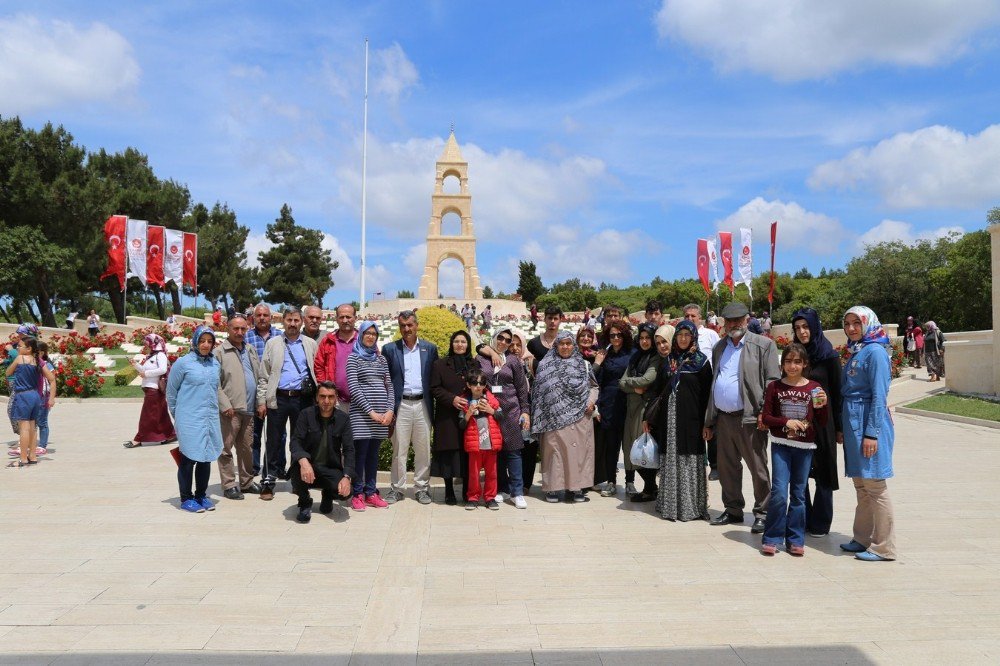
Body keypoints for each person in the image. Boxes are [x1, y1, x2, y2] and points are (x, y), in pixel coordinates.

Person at [703, 302, 780, 534]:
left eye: (738, 320)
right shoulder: (719, 347)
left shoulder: (764, 345)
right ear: (724, 323)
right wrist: (710, 420)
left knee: (757, 467)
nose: (734, 324)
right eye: (729, 321)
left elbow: (771, 382)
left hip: (751, 418)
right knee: (727, 468)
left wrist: (763, 413)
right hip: (724, 418)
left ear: (747, 320)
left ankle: (763, 513)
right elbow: (716, 381)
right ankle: (733, 509)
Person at [759, 343, 829, 556]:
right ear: (782, 364)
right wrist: (785, 422)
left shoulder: (814, 388)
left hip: (805, 447)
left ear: (804, 364)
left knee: (798, 494)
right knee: (779, 492)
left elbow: (822, 422)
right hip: (781, 445)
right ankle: (772, 537)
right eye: (788, 361)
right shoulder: (775, 387)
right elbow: (767, 417)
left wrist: (823, 406)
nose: (792, 366)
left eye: (797, 362)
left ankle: (795, 539)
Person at [839, 306, 896, 562]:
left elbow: (879, 396)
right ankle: (862, 538)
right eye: (847, 323)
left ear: (868, 323)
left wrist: (871, 433)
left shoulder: (875, 352)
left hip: (867, 424)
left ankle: (884, 547)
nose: (851, 328)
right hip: (854, 424)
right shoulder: (858, 350)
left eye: (856, 323)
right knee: (861, 485)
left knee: (875, 485)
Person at [645, 321, 711, 521]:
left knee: (689, 458)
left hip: (692, 421)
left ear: (693, 337)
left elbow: (708, 396)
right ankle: (670, 505)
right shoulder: (668, 361)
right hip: (669, 422)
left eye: (687, 335)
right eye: (680, 334)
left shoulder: (701, 362)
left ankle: (691, 507)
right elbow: (657, 391)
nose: (683, 338)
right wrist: (647, 417)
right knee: (670, 458)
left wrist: (708, 423)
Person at [258, 306, 319, 501]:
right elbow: (264, 375)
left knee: (299, 440)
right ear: (282, 321)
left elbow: (315, 371)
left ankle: (297, 480)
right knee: (274, 439)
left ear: (301, 322)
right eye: (289, 320)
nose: (292, 324)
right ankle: (268, 480)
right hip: (279, 397)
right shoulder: (273, 343)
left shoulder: (309, 344)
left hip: (302, 398)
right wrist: (262, 401)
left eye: (296, 321)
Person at [791, 308, 842, 537]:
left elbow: (838, 393)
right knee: (799, 472)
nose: (802, 332)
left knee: (823, 471)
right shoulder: (796, 356)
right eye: (797, 328)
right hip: (799, 422)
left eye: (806, 326)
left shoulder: (828, 355)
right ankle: (803, 517)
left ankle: (821, 522)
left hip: (823, 423)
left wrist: (839, 427)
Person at [531, 331, 598, 503]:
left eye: (569, 343)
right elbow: (538, 392)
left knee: (578, 453)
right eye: (562, 343)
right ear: (556, 345)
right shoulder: (545, 365)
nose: (565, 347)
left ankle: (576, 489)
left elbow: (594, 387)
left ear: (573, 345)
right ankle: (552, 489)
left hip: (580, 417)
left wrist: (591, 401)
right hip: (553, 419)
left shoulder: (584, 365)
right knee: (555, 453)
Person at [382, 310, 439, 505]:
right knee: (399, 449)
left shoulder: (430, 349)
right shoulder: (390, 349)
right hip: (401, 405)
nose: (406, 329)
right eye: (403, 326)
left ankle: (421, 488)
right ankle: (397, 488)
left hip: (422, 403)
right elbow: (386, 381)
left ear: (417, 326)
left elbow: (434, 378)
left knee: (423, 449)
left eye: (410, 325)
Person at [166, 326, 224, 513]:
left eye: (209, 341)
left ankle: (201, 495)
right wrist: (178, 416)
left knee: (206, 458)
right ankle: (186, 498)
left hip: (209, 418)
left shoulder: (215, 364)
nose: (206, 345)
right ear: (195, 341)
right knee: (188, 458)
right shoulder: (183, 363)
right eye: (202, 341)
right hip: (188, 418)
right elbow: (171, 392)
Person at [475, 326, 531, 509]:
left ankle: (517, 492)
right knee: (495, 452)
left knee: (513, 451)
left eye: (508, 340)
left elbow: (522, 387)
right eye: (501, 338)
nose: (504, 343)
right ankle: (500, 488)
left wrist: (525, 411)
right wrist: (490, 352)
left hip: (511, 411)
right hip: (489, 410)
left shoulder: (514, 360)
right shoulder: (481, 358)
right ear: (494, 337)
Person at [214, 315, 264, 500]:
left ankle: (246, 482)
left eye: (243, 329)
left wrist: (260, 402)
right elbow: (215, 383)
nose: (240, 332)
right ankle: (228, 485)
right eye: (236, 328)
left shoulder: (249, 349)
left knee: (246, 448)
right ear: (228, 329)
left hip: (249, 409)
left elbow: (258, 377)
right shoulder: (219, 352)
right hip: (230, 411)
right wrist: (225, 405)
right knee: (226, 449)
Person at [289, 382, 355, 523]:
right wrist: (303, 460)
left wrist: (347, 477)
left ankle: (328, 495)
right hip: (309, 465)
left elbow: (349, 450)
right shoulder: (305, 415)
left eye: (330, 397)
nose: (326, 401)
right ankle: (305, 502)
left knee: (345, 493)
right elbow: (295, 442)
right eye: (322, 396)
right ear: (316, 398)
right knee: (295, 470)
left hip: (330, 467)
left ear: (336, 398)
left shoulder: (343, 419)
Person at [346, 321, 393, 511]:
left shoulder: (381, 360)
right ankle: (357, 493)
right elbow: (354, 388)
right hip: (362, 416)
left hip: (381, 417)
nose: (371, 336)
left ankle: (371, 492)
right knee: (360, 455)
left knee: (373, 456)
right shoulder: (353, 359)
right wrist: (371, 412)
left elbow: (389, 385)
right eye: (368, 333)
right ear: (361, 334)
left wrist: (389, 410)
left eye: (374, 333)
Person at [430, 331, 474, 505]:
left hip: (469, 415)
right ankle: (449, 490)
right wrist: (452, 399)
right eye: (456, 341)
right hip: (447, 415)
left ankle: (465, 490)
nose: (460, 344)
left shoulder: (474, 363)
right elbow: (434, 388)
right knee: (448, 453)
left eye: (463, 341)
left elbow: (480, 384)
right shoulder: (440, 365)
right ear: (451, 343)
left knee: (467, 452)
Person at [592, 320, 634, 497]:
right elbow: (597, 381)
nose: (616, 338)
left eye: (619, 335)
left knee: (629, 446)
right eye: (612, 335)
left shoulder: (633, 354)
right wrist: (597, 406)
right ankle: (611, 481)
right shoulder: (605, 354)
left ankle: (630, 482)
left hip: (628, 403)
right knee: (611, 446)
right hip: (608, 404)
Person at [618, 322, 659, 499]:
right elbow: (621, 383)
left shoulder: (655, 357)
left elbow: (648, 379)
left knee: (642, 450)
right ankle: (650, 489)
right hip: (631, 408)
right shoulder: (635, 358)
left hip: (644, 409)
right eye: (641, 338)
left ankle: (650, 488)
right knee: (630, 449)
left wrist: (630, 383)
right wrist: (633, 387)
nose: (644, 341)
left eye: (647, 338)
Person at [683, 303, 722, 480]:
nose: (690, 319)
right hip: (690, 388)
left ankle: (715, 465)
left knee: (710, 425)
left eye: (693, 316)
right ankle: (698, 463)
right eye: (687, 316)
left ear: (700, 317)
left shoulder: (710, 335)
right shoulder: (683, 335)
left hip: (708, 386)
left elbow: (718, 357)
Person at [5, 336, 56, 468]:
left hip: (23, 396)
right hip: (35, 396)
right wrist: (51, 398)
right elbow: (51, 378)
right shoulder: (37, 361)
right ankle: (32, 456)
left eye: (20, 346)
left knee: (24, 429)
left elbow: (8, 372)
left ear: (29, 349)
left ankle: (23, 458)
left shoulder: (20, 358)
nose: (18, 348)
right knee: (33, 428)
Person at [460, 367, 504, 510]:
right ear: (468, 385)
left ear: (485, 385)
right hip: (474, 445)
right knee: (474, 474)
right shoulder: (465, 402)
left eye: (481, 383)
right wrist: (468, 414)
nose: (478, 386)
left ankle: (490, 498)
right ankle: (473, 498)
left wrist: (491, 411)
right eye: (474, 383)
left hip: (490, 443)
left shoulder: (492, 399)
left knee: (492, 473)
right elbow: (460, 424)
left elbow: (501, 416)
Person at [123, 333, 176, 449]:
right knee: (161, 414)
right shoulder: (151, 356)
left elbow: (162, 369)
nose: (146, 345)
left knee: (147, 416)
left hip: (154, 390)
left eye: (147, 343)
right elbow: (144, 370)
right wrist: (135, 365)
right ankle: (171, 435)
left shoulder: (160, 355)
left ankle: (138, 439)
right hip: (150, 389)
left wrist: (146, 373)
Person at [246, 303, 280, 476]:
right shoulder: (246, 337)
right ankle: (254, 466)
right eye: (258, 315)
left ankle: (276, 467)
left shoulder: (280, 337)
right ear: (253, 317)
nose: (262, 318)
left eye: (265, 315)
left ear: (271, 317)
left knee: (278, 435)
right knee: (255, 434)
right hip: (254, 393)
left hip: (275, 391)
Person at [509, 331, 540, 494]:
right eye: (511, 344)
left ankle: (526, 483)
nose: (514, 348)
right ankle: (514, 482)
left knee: (529, 448)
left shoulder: (531, 362)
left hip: (531, 412)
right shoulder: (504, 362)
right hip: (512, 411)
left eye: (518, 344)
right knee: (514, 449)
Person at [314, 303, 359, 412]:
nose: (345, 320)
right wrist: (327, 390)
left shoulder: (364, 340)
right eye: (341, 317)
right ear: (336, 319)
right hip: (335, 401)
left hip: (360, 401)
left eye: (348, 317)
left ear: (355, 318)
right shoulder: (328, 341)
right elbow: (318, 366)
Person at [35, 342, 55, 455]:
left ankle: (42, 445)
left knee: (42, 422)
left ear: (42, 353)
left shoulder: (47, 365)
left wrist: (51, 398)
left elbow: (53, 381)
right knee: (32, 422)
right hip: (33, 396)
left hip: (43, 396)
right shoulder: (31, 363)